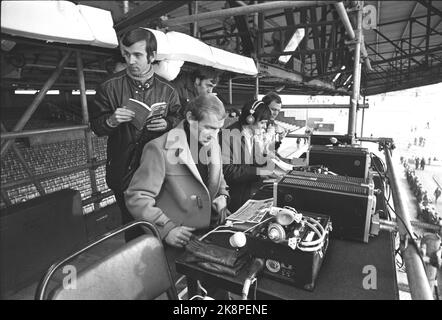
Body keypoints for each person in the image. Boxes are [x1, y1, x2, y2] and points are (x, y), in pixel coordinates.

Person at [88, 27, 182, 242]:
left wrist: (167, 123)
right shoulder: (108, 87)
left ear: (152, 56)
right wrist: (111, 120)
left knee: (161, 216)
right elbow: (97, 127)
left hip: (158, 168)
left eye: (137, 55)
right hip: (122, 169)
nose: (131, 61)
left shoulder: (168, 90)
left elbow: (179, 119)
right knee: (132, 223)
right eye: (126, 54)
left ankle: (161, 257)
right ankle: (138, 262)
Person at [125, 93, 229, 250]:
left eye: (218, 129)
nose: (214, 135)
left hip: (207, 232)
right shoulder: (159, 149)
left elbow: (218, 176)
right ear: (190, 118)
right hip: (178, 239)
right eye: (208, 127)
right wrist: (166, 229)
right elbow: (137, 196)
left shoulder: (212, 143)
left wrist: (222, 195)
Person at [220, 99, 275, 212]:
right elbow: (228, 171)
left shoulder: (250, 133)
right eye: (262, 122)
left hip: (247, 191)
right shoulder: (228, 136)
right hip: (234, 196)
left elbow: (250, 160)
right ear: (250, 119)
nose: (264, 127)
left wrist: (267, 160)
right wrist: (260, 172)